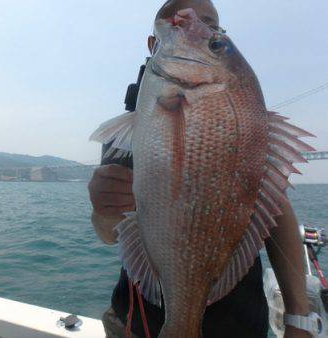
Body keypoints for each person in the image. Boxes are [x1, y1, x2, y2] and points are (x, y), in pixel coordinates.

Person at [88, 1, 311, 337]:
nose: (194, 25)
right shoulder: (133, 118)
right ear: (153, 44)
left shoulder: (239, 114)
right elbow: (108, 232)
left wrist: (299, 315)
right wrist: (103, 208)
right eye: (175, 22)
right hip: (139, 320)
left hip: (239, 322)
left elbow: (275, 208)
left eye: (213, 31)